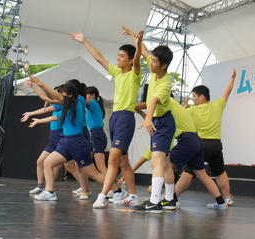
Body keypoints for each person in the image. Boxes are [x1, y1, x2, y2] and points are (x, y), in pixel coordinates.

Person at [70, 29, 143, 208]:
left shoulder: (135, 74)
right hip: (115, 119)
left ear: (131, 60)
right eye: (117, 55)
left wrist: (138, 43)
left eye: (121, 56)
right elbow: (99, 58)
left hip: (126, 117)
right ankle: (133, 195)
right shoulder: (117, 73)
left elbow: (139, 58)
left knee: (112, 160)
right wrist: (85, 41)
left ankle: (103, 195)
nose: (117, 58)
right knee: (123, 162)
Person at [123, 26, 175, 213]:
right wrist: (133, 37)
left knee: (157, 161)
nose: (150, 62)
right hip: (161, 122)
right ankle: (169, 199)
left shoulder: (165, 83)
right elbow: (144, 51)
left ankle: (155, 202)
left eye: (154, 61)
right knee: (164, 163)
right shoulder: (155, 70)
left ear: (164, 66)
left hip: (163, 123)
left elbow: (152, 101)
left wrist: (148, 118)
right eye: (151, 59)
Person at [28, 80, 106, 201]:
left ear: (70, 94)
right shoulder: (70, 104)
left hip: (78, 141)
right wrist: (38, 120)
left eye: (63, 93)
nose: (60, 95)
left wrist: (40, 85)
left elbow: (52, 98)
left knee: (92, 173)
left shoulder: (76, 102)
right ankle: (49, 191)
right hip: (67, 141)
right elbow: (53, 112)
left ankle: (115, 188)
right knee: (48, 162)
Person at [179, 69, 237, 207]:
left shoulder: (191, 110)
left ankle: (172, 198)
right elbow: (227, 92)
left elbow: (180, 116)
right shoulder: (218, 105)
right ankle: (228, 199)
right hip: (216, 145)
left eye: (194, 96)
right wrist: (232, 79)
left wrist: (185, 105)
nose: (193, 98)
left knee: (188, 173)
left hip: (201, 145)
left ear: (202, 97)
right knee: (220, 173)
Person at [21, 82, 65, 196]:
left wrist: (33, 86)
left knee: (68, 167)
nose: (52, 96)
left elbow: (49, 113)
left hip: (62, 136)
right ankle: (41, 187)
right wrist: (30, 113)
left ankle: (49, 189)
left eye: (54, 93)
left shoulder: (63, 104)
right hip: (53, 137)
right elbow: (44, 109)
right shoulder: (56, 104)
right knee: (40, 161)